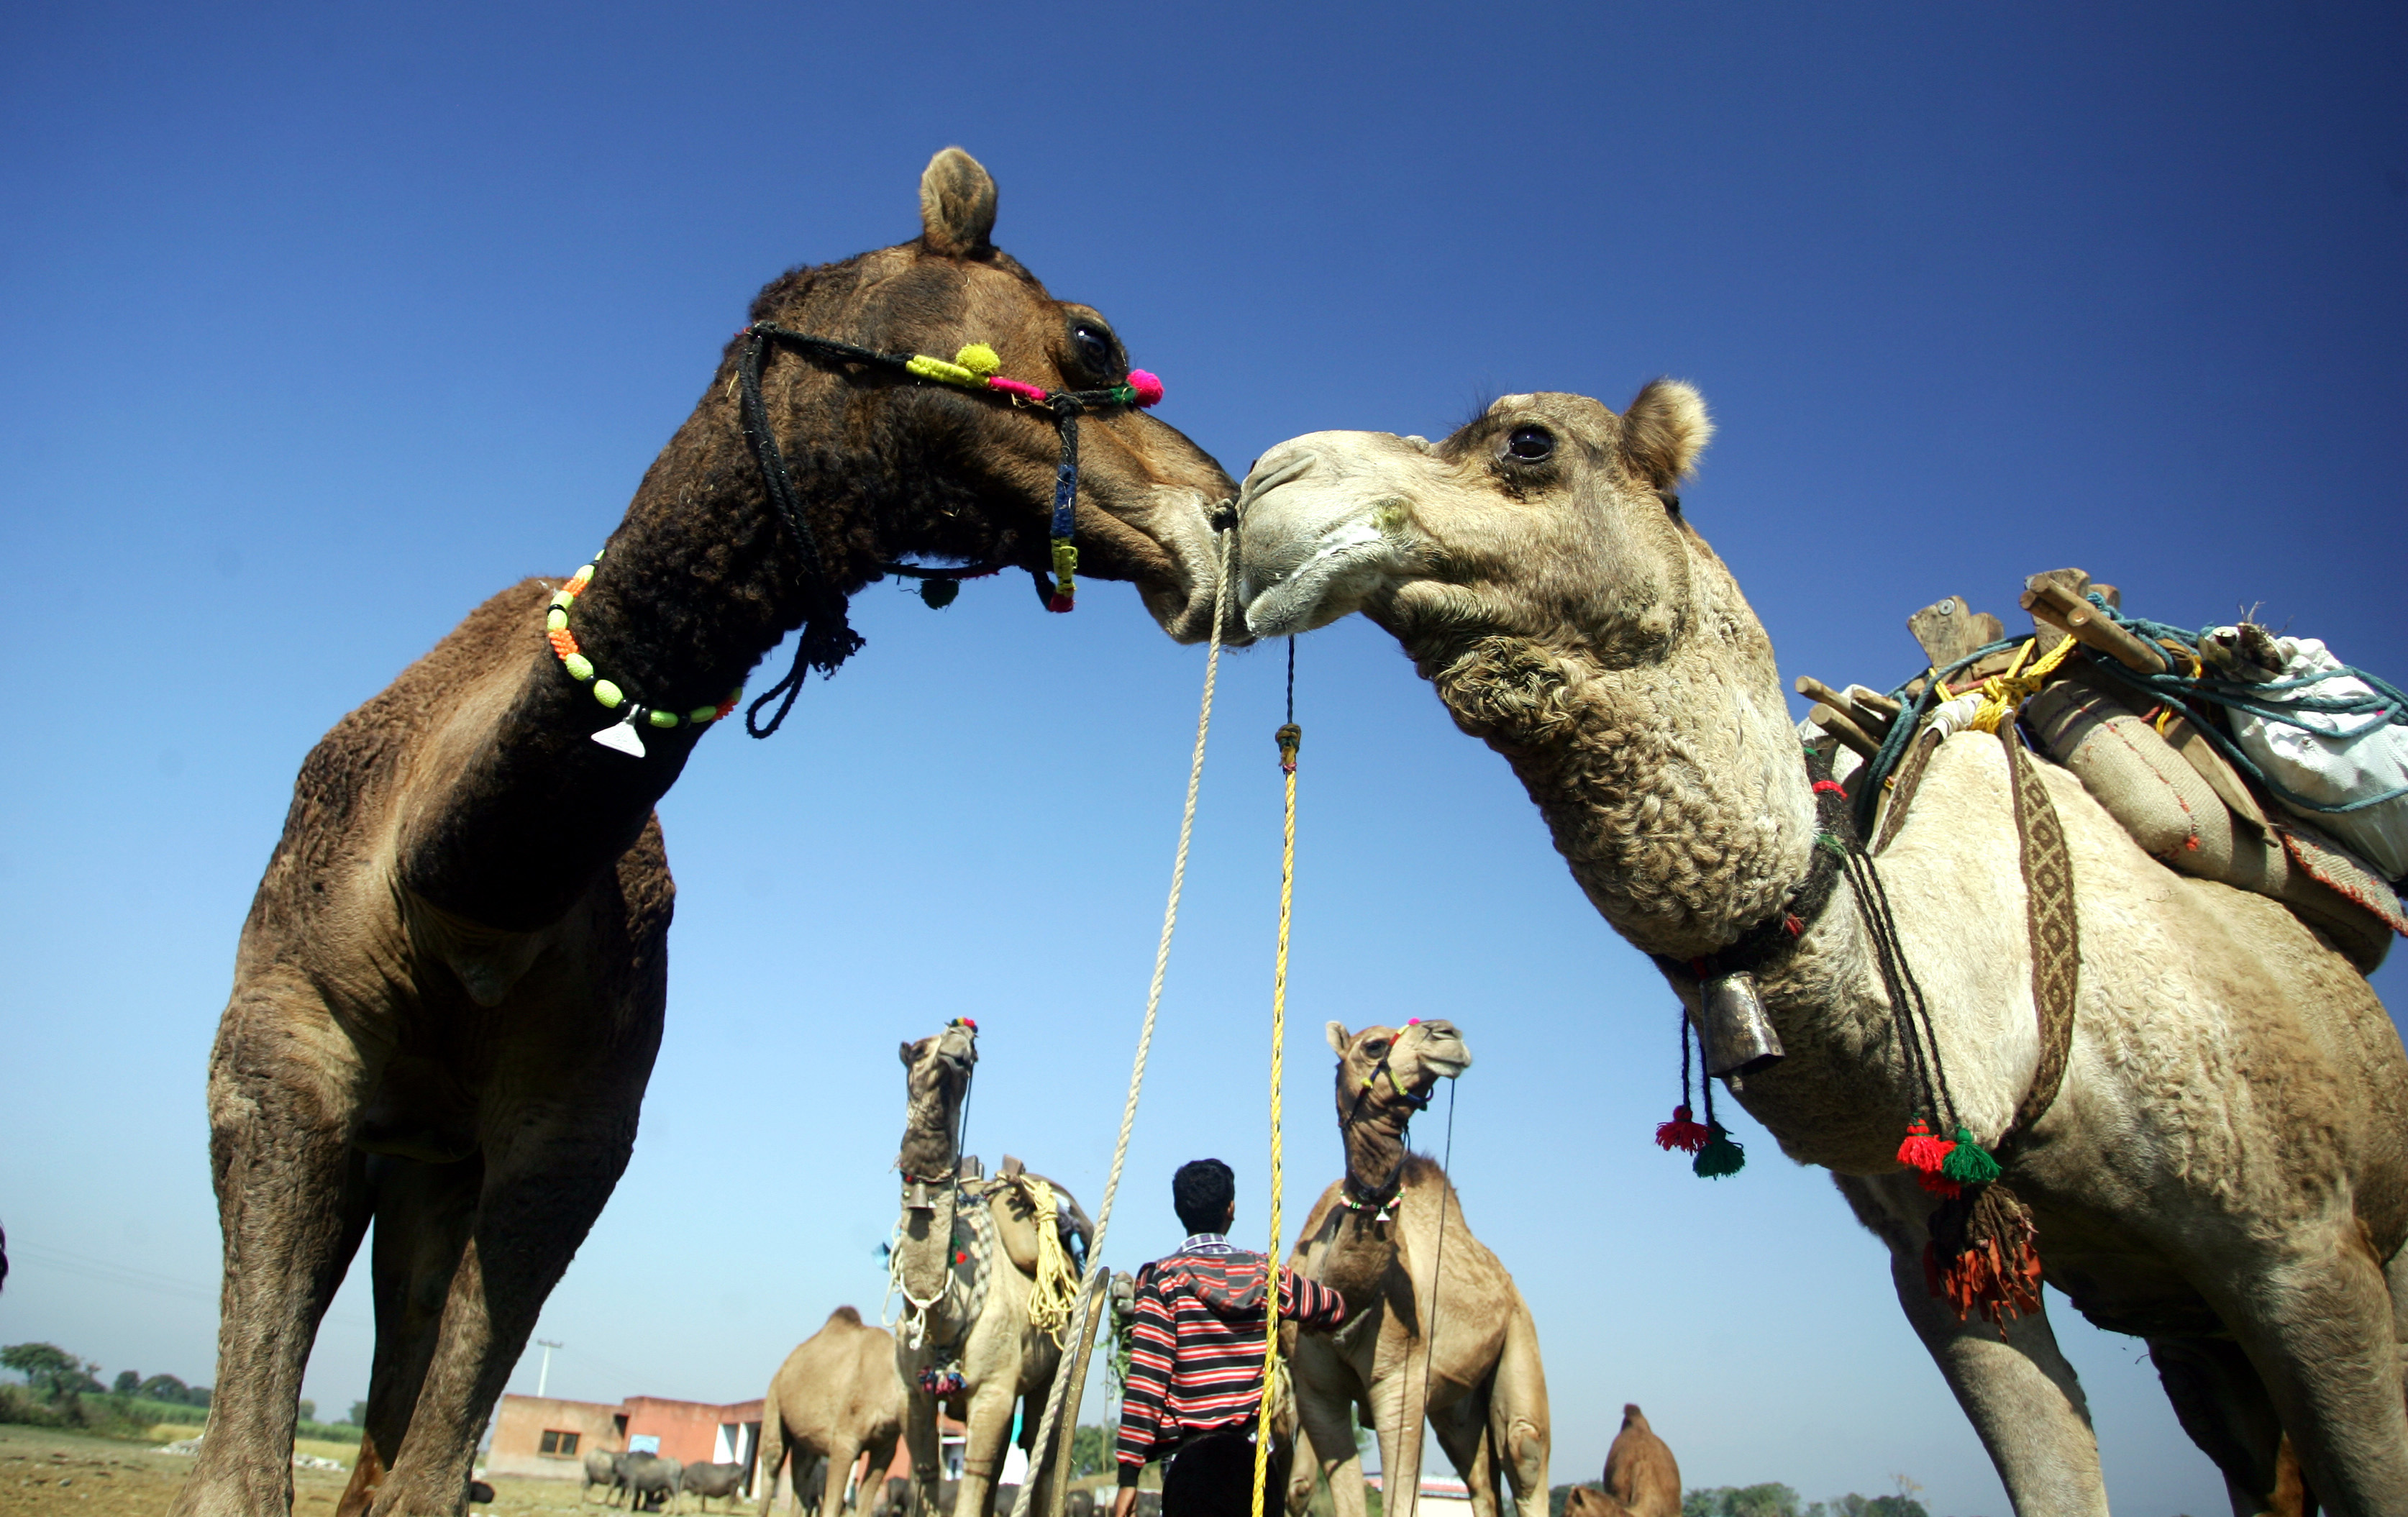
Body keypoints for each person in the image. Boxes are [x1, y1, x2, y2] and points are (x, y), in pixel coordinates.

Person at [1113, 1159, 1346, 1517]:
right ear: (1231, 1209)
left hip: (1191, 1468)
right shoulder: (1264, 1273)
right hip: (1252, 1467)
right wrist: (1318, 1322)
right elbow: (1331, 1307)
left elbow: (1148, 1380)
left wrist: (1129, 1474)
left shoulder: (1162, 1280)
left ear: (1179, 1210)